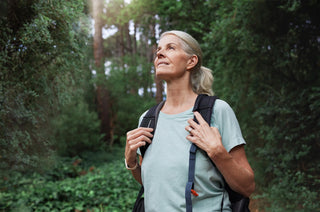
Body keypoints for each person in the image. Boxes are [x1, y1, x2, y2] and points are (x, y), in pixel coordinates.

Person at [125, 30, 255, 211]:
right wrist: (131, 163)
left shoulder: (216, 111)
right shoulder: (147, 119)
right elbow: (157, 184)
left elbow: (247, 187)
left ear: (191, 61)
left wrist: (217, 153)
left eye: (170, 48)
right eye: (158, 51)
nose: (159, 53)